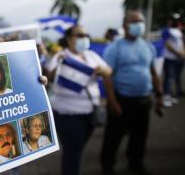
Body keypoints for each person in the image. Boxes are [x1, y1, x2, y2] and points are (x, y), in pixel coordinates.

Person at [101, 10, 164, 175]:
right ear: (125, 25)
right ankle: (107, 166)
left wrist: (159, 94)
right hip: (122, 100)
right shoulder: (115, 48)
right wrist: (112, 102)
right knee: (113, 137)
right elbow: (108, 77)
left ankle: (135, 163)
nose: (139, 25)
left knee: (139, 136)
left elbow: (153, 71)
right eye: (134, 22)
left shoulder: (148, 46)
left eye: (141, 22)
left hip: (143, 100)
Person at [46, 25, 112, 175]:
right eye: (79, 35)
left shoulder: (91, 56)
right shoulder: (61, 56)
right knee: (72, 153)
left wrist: (102, 70)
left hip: (89, 114)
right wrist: (59, 66)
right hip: (67, 115)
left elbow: (109, 71)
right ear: (69, 39)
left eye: (86, 35)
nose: (84, 38)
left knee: (77, 149)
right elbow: (48, 78)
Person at [161, 13, 185, 107]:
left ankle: (170, 95)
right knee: (168, 78)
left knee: (174, 77)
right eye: (174, 20)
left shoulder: (179, 32)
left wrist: (182, 53)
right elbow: (167, 44)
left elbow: (181, 43)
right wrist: (178, 53)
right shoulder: (167, 31)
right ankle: (166, 96)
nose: (176, 22)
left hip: (178, 59)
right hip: (169, 58)